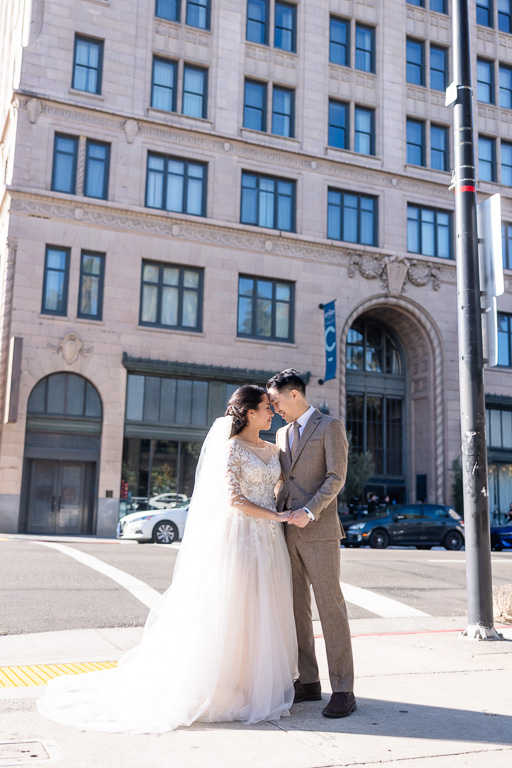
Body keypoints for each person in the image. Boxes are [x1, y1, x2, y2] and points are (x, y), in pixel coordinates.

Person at [37, 385, 297, 733]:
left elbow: (280, 487)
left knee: (263, 608)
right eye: (267, 407)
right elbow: (234, 499)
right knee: (234, 608)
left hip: (269, 542)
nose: (272, 412)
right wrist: (277, 517)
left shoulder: (273, 449)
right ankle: (227, 685)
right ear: (250, 412)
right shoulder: (231, 449)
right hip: (241, 536)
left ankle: (255, 683)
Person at [267, 369, 355, 719]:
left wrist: (310, 510)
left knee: (330, 607)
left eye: (275, 401)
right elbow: (283, 480)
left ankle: (344, 690)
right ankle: (308, 681)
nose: (274, 409)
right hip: (287, 531)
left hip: (318, 530)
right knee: (296, 608)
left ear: (293, 394)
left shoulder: (330, 426)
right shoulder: (282, 432)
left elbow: (337, 477)